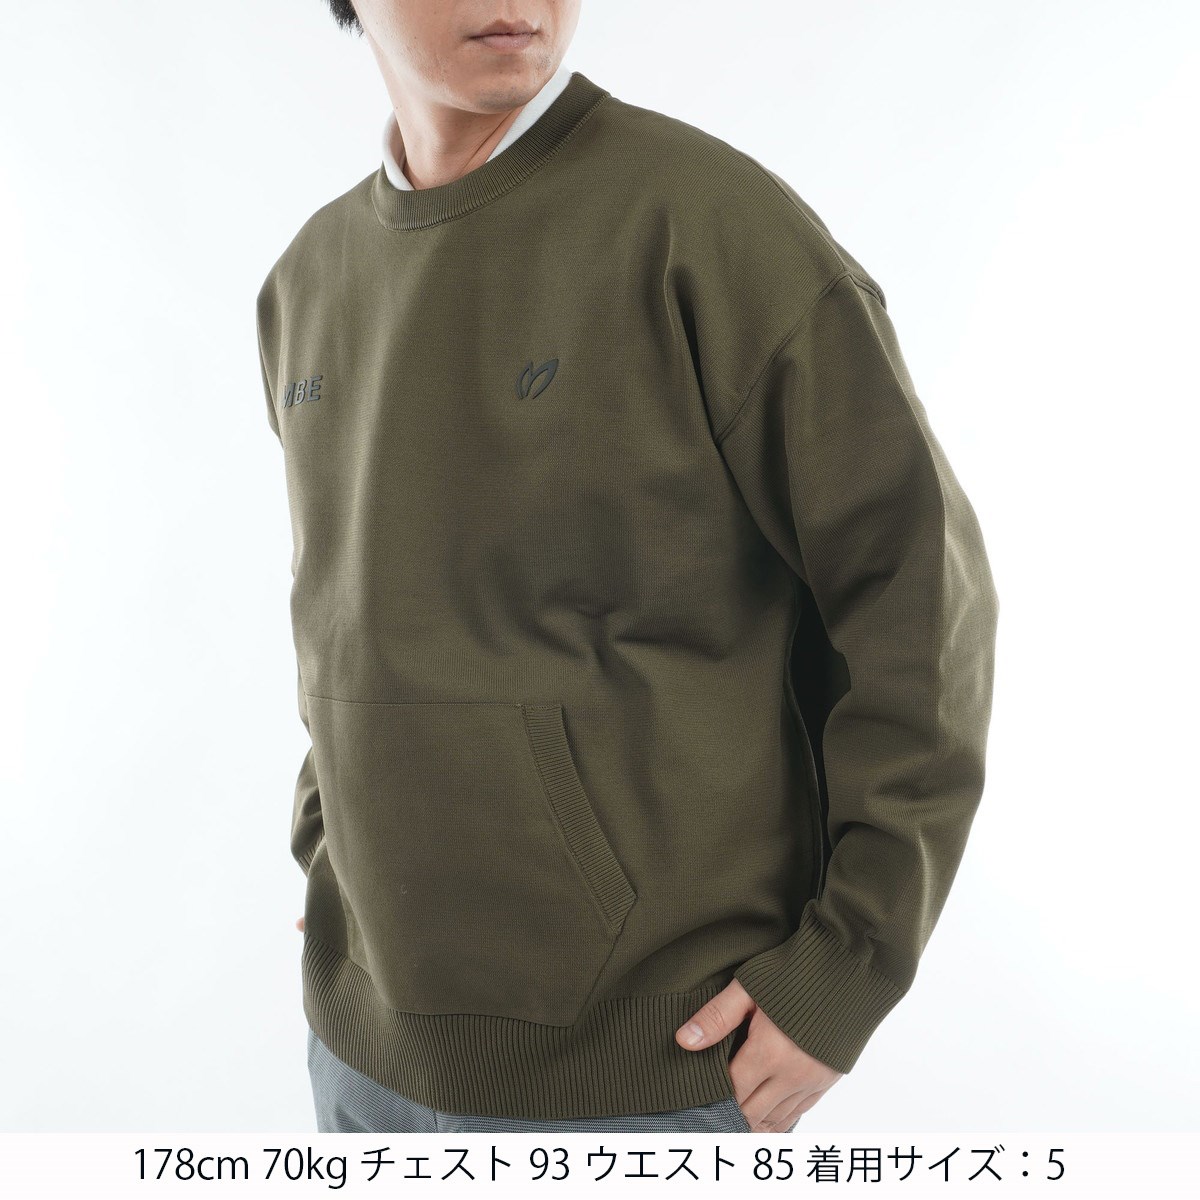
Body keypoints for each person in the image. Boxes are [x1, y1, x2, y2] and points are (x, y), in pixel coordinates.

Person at [256, 0, 999, 1136]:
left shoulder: (705, 223)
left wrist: (845, 971)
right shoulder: (309, 277)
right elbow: (347, 608)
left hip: (646, 1068)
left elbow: (918, 597)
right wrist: (333, 842)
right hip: (361, 1052)